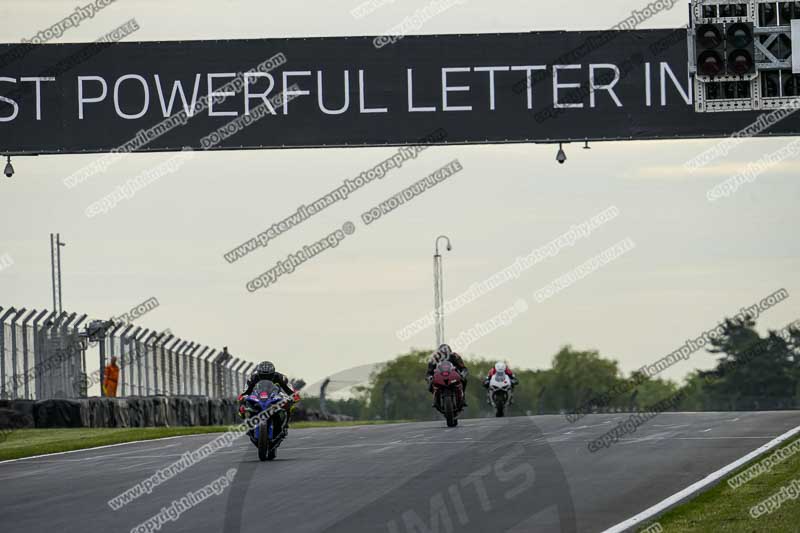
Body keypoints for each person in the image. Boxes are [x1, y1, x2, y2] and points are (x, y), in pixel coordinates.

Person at [237, 361, 299, 435]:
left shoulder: (280, 377)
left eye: (268, 376)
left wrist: (294, 396)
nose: (265, 378)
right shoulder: (253, 378)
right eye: (262, 376)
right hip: (257, 396)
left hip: (275, 396)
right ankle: (247, 423)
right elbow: (246, 391)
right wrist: (242, 397)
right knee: (244, 404)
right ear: (258, 373)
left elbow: (290, 389)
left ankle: (285, 425)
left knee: (288, 404)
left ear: (273, 373)